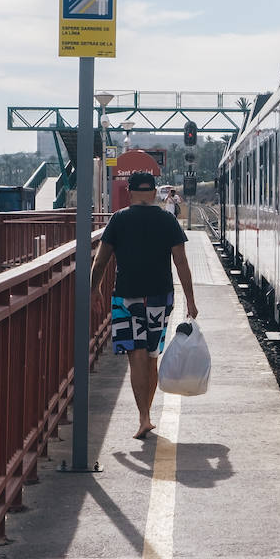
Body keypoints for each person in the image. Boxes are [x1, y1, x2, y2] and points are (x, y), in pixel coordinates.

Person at [90, 170, 198, 440]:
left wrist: (94, 290)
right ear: (153, 193)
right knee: (151, 356)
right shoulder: (167, 219)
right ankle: (146, 414)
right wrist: (191, 300)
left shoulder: (119, 219)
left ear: (130, 192)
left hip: (126, 296)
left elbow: (101, 261)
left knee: (136, 356)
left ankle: (144, 418)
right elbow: (181, 262)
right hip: (160, 296)